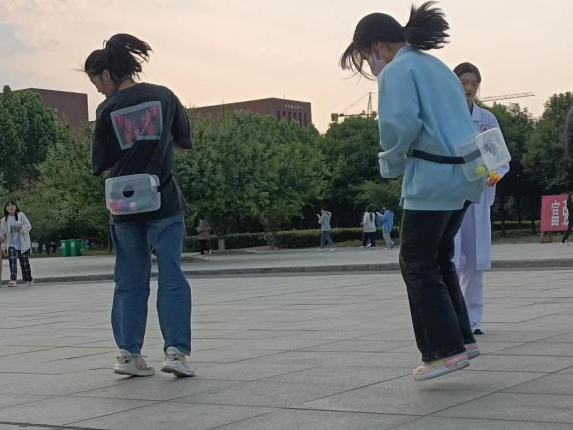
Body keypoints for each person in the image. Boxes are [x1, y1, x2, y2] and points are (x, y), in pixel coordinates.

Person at [341, 2, 484, 381]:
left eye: (365, 57)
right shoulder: (435, 65)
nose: (370, 66)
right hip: (465, 174)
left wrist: (390, 164)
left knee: (416, 262)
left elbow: (399, 125)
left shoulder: (397, 71)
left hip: (433, 175)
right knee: (439, 258)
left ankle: (444, 351)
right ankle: (462, 338)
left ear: (376, 46)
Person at [85, 34, 195, 377]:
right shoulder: (164, 96)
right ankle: (175, 353)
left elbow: (99, 163)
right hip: (163, 200)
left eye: (96, 83)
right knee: (172, 276)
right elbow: (183, 144)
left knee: (129, 280)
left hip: (124, 206)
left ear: (107, 75)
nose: (99, 91)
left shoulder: (107, 109)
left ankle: (128, 354)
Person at [452, 62, 510, 336]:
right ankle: (452, 317)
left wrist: (495, 174)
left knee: (475, 261)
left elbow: (500, 157)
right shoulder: (445, 116)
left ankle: (473, 318)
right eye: (464, 83)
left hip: (479, 198)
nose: (469, 88)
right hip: (451, 195)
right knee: (451, 259)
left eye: (474, 84)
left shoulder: (487, 119)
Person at [0, 201, 34, 287]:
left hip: (22, 243)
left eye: (12, 205)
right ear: (6, 208)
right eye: (8, 206)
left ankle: (29, 278)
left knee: (24, 263)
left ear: (16, 207)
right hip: (11, 244)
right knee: (12, 261)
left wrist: (21, 228)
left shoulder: (21, 216)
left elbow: (28, 227)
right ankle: (13, 279)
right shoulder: (4, 220)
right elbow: (2, 234)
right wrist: (3, 247)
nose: (10, 207)